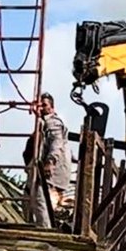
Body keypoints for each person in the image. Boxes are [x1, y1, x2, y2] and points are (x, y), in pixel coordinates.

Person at [24, 92, 73, 228]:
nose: (40, 108)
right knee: (29, 199)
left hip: (49, 174)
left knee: (41, 202)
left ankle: (44, 234)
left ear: (52, 108)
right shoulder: (42, 123)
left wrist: (50, 162)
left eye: (44, 105)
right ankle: (36, 233)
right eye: (39, 105)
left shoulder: (53, 123)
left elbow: (56, 142)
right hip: (41, 171)